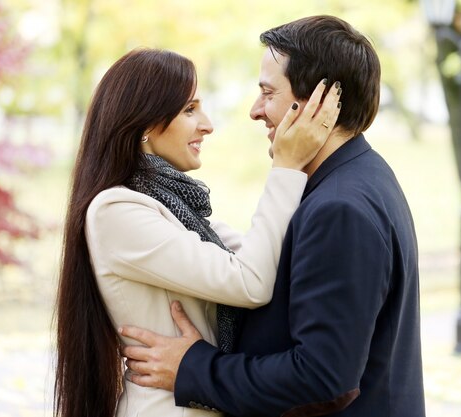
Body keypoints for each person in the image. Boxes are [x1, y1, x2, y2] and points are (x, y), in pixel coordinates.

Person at [120, 15, 426, 417]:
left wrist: (191, 368)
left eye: (267, 93)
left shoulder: (340, 208)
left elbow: (320, 376)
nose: (255, 110)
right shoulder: (358, 177)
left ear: (318, 102)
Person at [54, 48, 342, 417]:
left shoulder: (178, 210)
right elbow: (250, 282)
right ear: (144, 125)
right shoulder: (116, 211)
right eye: (189, 110)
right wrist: (288, 166)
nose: (207, 124)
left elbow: (267, 257)